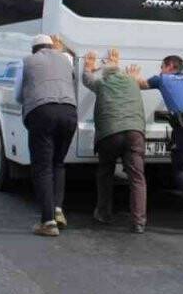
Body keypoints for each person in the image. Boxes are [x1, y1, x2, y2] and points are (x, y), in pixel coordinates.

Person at [129, 55, 183, 230]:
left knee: (181, 170)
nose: (160, 70)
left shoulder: (162, 78)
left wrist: (133, 75)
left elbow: (139, 84)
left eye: (161, 66)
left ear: (169, 66)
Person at [12, 34, 79, 237]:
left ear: (34, 50)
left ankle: (48, 222)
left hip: (42, 113)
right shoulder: (66, 59)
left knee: (43, 167)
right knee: (58, 163)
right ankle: (57, 209)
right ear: (51, 46)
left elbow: (17, 95)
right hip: (69, 112)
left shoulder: (26, 62)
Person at [81, 48, 148, 234]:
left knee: (105, 172)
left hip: (110, 134)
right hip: (135, 133)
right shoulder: (133, 82)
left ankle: (103, 212)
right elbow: (139, 80)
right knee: (137, 177)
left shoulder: (102, 83)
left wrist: (89, 67)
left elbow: (86, 79)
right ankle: (139, 221)